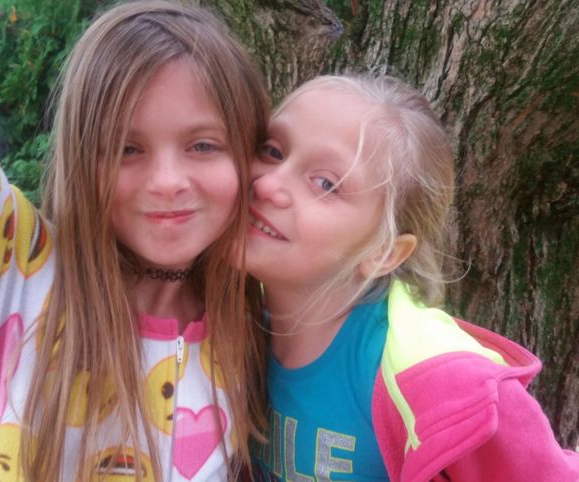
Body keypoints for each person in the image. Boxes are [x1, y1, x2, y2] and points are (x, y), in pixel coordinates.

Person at [0, 1, 270, 480]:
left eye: (202, 145)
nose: (167, 181)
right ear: (79, 156)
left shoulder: (251, 321)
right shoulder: (2, 272)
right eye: (125, 149)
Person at [246, 74, 579, 481]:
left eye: (326, 184)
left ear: (383, 252)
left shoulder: (443, 385)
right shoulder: (221, 320)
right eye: (272, 151)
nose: (267, 184)